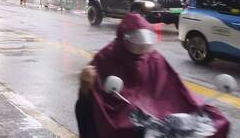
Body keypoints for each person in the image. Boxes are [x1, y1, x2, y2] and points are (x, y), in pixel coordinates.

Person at [75, 13, 229, 138]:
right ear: (124, 39)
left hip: (157, 122)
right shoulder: (105, 59)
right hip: (126, 121)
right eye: (136, 43)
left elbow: (176, 90)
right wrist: (86, 89)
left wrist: (198, 108)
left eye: (145, 44)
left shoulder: (154, 59)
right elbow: (90, 106)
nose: (142, 49)